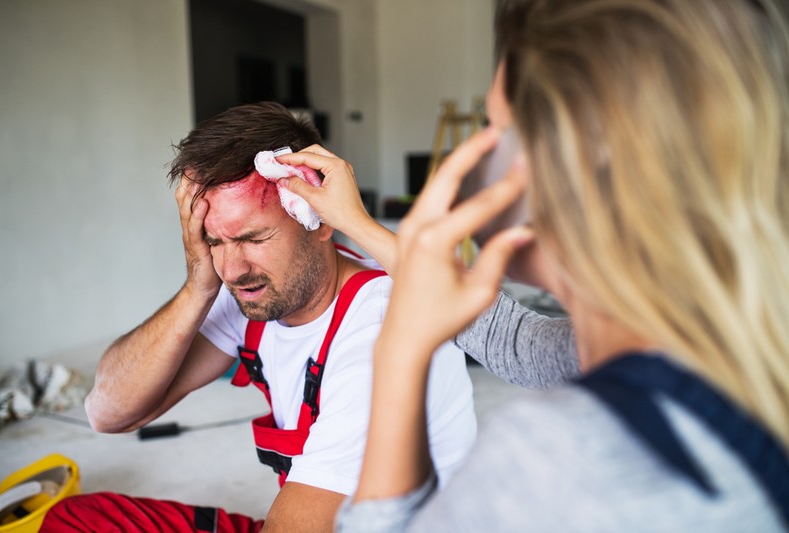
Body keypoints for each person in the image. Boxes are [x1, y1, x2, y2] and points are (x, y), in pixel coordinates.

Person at [282, 0, 789, 530]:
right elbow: (522, 347)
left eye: (493, 127)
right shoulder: (720, 348)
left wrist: (399, 354)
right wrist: (359, 224)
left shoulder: (552, 455)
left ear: (568, 159)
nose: (477, 152)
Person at [41, 102, 476, 532]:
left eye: (253, 237)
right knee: (74, 519)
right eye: (214, 241)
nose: (232, 270)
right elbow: (109, 412)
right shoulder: (256, 292)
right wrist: (197, 289)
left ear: (319, 219)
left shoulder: (379, 334)